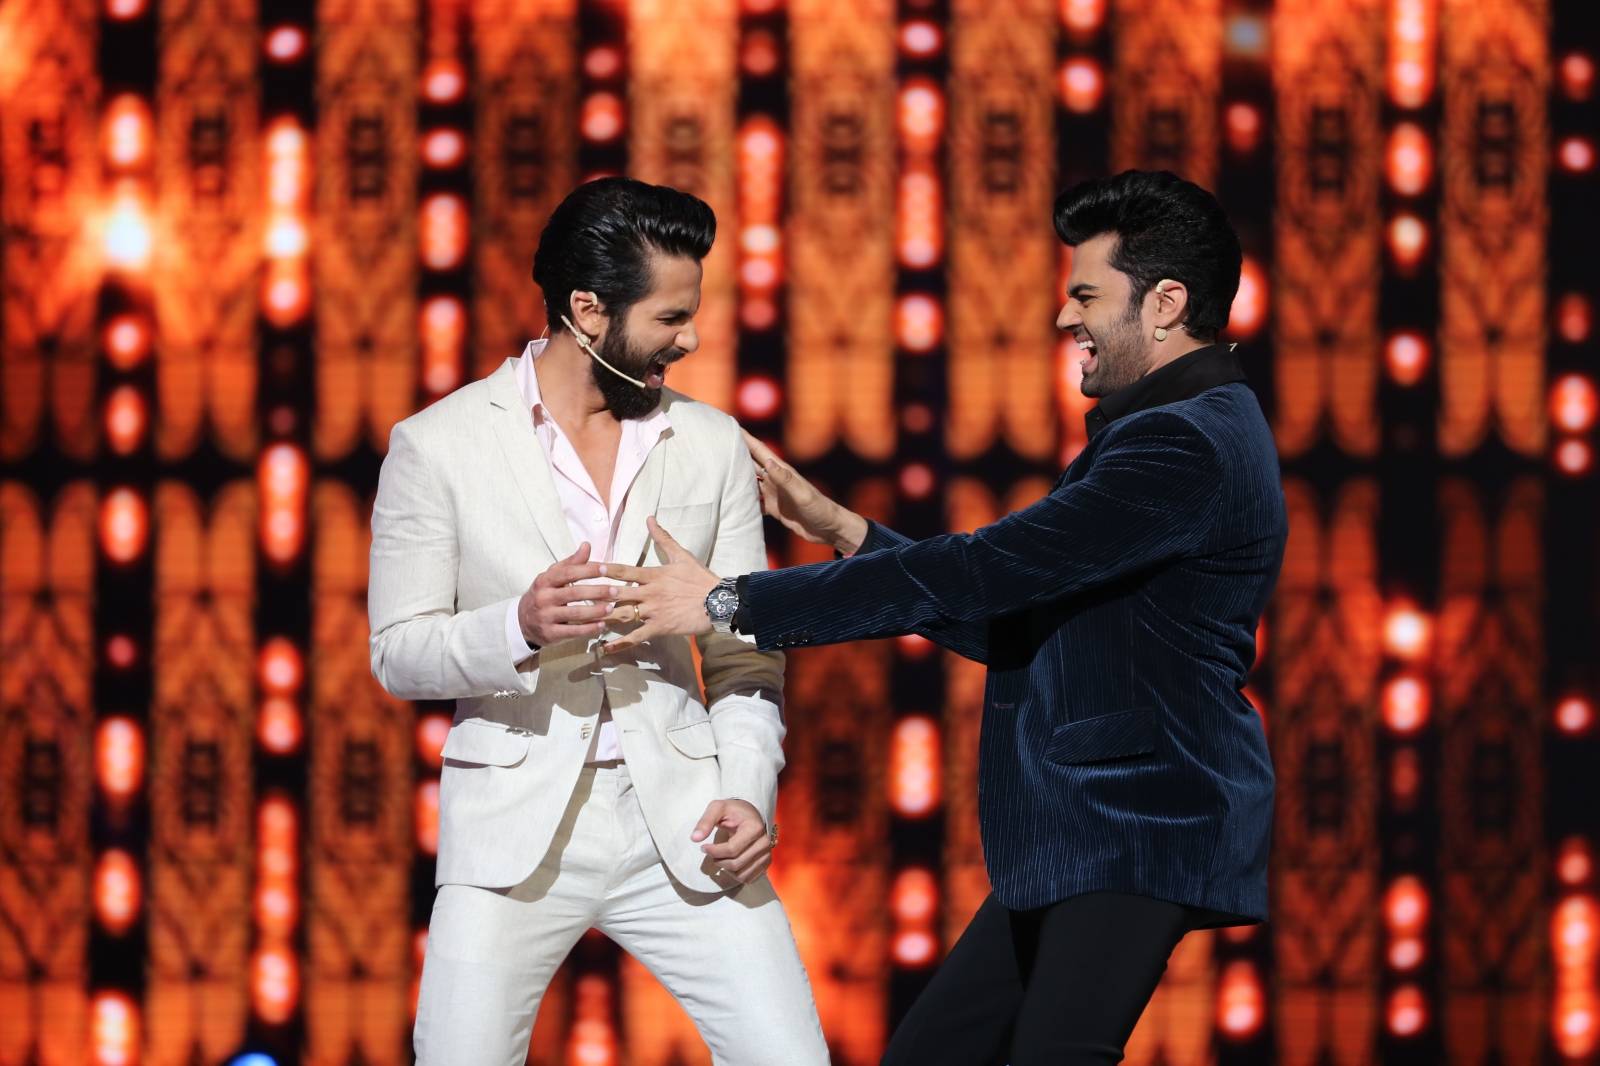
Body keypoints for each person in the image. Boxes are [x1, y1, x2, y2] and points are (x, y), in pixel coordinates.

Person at [600, 170, 1287, 1066]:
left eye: (1086, 295)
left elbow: (984, 570)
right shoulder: (1176, 429)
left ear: (1166, 305)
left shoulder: (1183, 442)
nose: (1064, 317)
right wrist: (843, 528)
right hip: (1085, 832)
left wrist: (728, 601)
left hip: (1139, 821)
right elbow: (1011, 620)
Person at [368, 177, 828, 1065]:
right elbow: (399, 652)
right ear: (586, 311)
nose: (690, 339)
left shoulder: (712, 443)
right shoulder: (438, 444)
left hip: (686, 825)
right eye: (669, 318)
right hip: (512, 833)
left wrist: (747, 787)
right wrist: (519, 625)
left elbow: (745, 653)